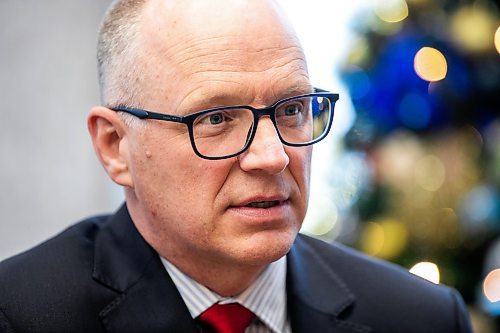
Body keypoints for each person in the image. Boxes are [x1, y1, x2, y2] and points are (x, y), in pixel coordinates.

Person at [0, 0, 473, 332]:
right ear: (115, 146)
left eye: (291, 109)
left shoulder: (422, 317)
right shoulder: (21, 314)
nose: (273, 156)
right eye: (216, 118)